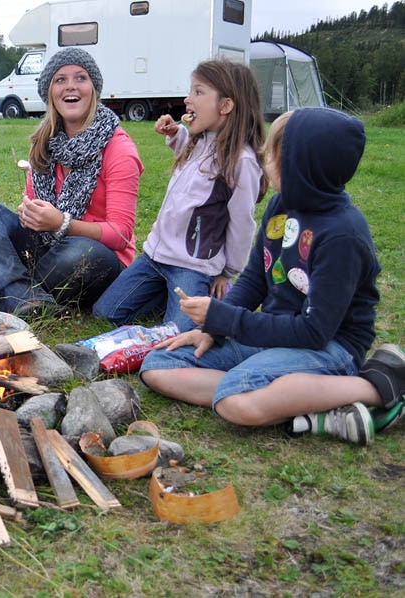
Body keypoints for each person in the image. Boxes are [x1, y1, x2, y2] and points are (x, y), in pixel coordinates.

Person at [139, 107, 405, 446]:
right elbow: (254, 279)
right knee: (159, 365)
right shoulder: (283, 204)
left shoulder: (342, 236)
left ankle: (377, 387)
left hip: (330, 348)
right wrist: (213, 327)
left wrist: (228, 320)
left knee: (234, 402)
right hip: (276, 334)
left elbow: (314, 331)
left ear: (303, 167)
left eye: (275, 156)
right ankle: (299, 402)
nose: (265, 162)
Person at [0, 47, 143, 317]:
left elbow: (121, 234)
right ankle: (20, 294)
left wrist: (61, 223)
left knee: (84, 253)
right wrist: (29, 214)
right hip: (46, 247)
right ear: (49, 92)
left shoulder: (119, 148)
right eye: (60, 80)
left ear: (93, 89)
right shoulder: (45, 143)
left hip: (97, 257)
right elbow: (34, 211)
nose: (70, 86)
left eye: (81, 78)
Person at [92, 60, 266, 332]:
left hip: (193, 267)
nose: (188, 99)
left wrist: (227, 272)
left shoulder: (240, 162)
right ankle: (165, 294)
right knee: (105, 313)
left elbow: (242, 223)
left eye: (198, 92)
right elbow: (192, 164)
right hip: (155, 258)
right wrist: (176, 133)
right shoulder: (199, 141)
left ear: (225, 106)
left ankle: (200, 296)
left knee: (178, 333)